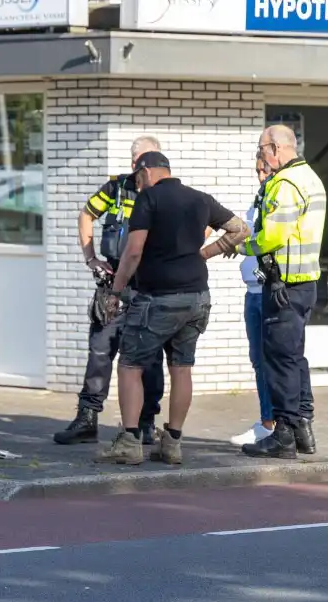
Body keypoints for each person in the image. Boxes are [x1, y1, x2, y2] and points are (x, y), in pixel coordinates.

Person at [94, 151, 249, 465]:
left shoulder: (149, 199)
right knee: (181, 368)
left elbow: (134, 252)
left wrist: (116, 292)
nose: (137, 186)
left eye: (138, 180)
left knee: (130, 365)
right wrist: (204, 255)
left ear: (147, 172)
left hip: (158, 299)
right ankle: (172, 444)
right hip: (196, 298)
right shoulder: (200, 199)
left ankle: (130, 443)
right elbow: (240, 229)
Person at [54, 136, 166, 447]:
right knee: (100, 350)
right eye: (137, 159)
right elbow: (86, 215)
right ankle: (87, 418)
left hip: (148, 285)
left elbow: (199, 226)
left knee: (150, 356)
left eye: (146, 159)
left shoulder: (165, 193)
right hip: (115, 280)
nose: (140, 165)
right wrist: (91, 258)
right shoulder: (116, 187)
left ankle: (146, 423)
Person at [236, 125, 325, 459]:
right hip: (304, 284)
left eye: (261, 151)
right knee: (295, 358)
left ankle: (284, 434)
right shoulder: (310, 178)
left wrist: (242, 244)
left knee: (279, 361)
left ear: (275, 148)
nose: (261, 158)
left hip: (284, 285)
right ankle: (303, 428)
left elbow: (272, 235)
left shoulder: (285, 184)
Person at [230, 157, 275, 446]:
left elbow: (266, 238)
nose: (260, 176)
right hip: (253, 292)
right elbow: (247, 230)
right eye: (258, 171)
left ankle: (273, 423)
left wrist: (239, 245)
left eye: (265, 170)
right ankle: (268, 421)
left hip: (269, 291)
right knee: (259, 360)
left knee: (271, 361)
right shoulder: (259, 199)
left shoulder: (278, 200)